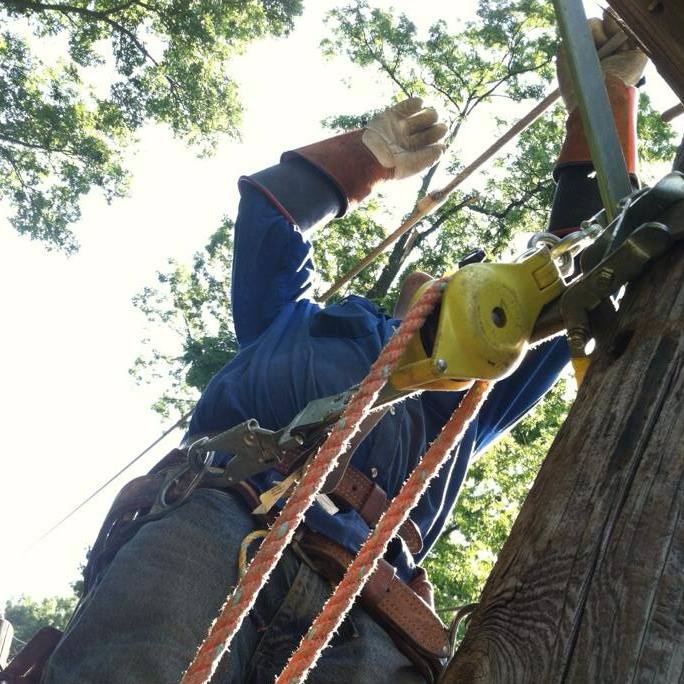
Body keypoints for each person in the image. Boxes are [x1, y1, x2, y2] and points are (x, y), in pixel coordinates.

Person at [36, 14, 645, 684]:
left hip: (370, 602)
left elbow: (584, 272)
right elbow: (270, 216)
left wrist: (604, 96)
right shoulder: (293, 326)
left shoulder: (466, 398)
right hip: (218, 520)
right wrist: (367, 153)